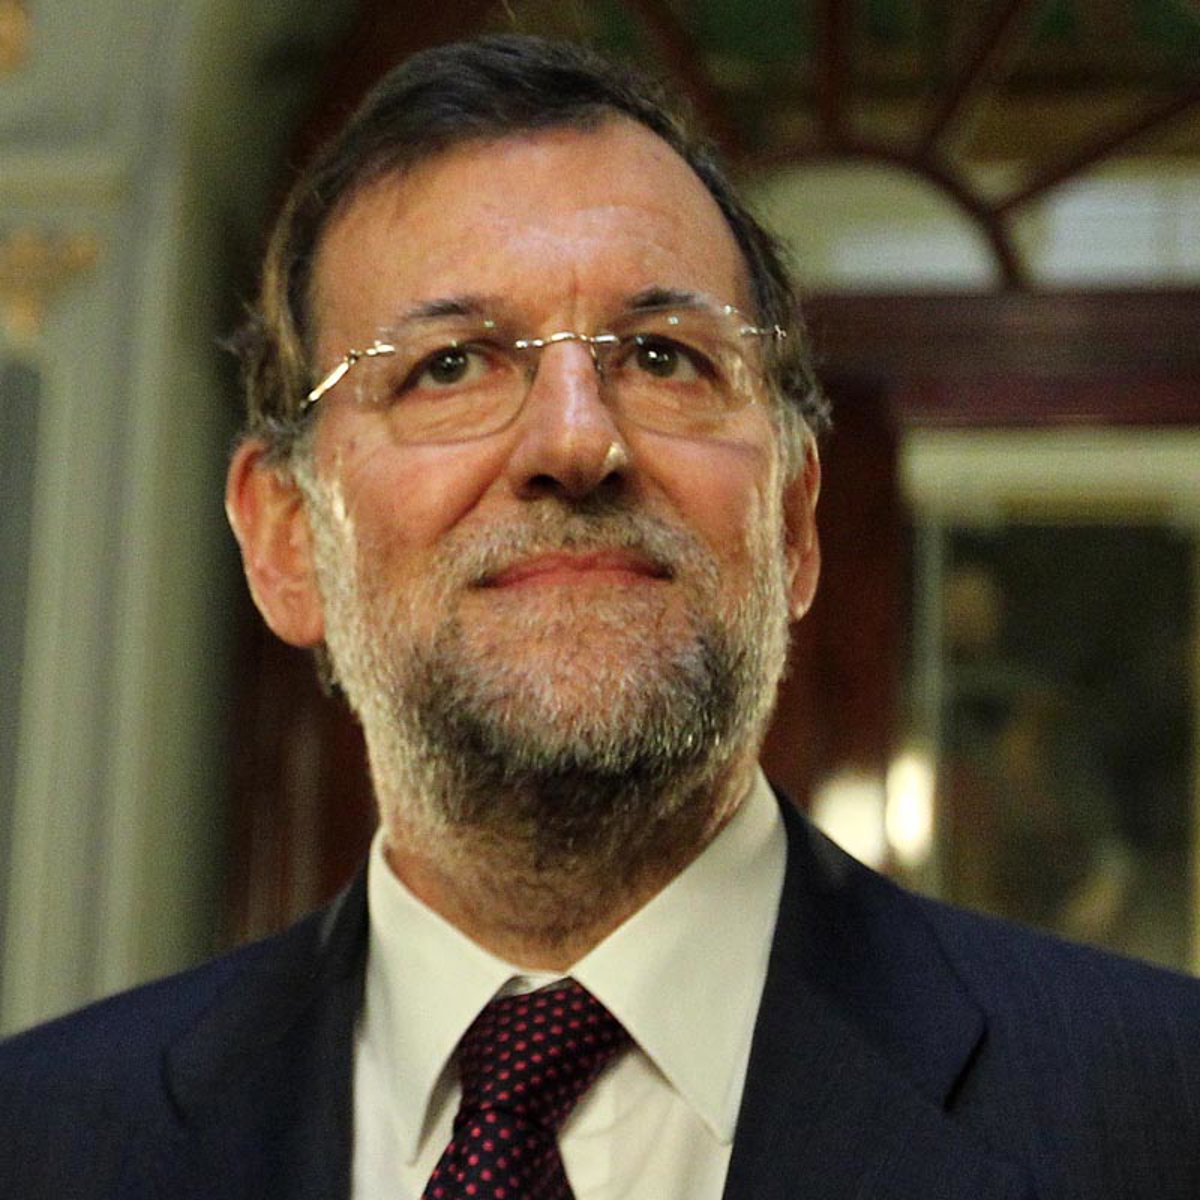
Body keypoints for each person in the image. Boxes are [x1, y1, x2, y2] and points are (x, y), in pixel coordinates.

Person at [2, 33, 1199, 1200]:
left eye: (665, 357)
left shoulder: (1158, 1113)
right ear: (285, 540)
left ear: (793, 520)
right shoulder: (43, 1143)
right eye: (451, 365)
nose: (577, 439)